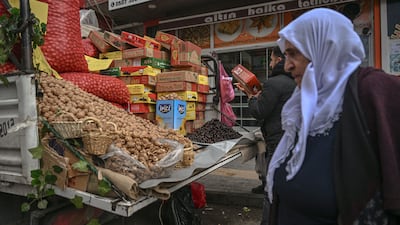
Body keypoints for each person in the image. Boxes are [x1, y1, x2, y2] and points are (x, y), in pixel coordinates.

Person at [265, 8, 400, 225]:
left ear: (324, 47)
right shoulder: (303, 105)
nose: (287, 65)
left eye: (294, 53)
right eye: (286, 55)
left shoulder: (374, 91)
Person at [237, 47, 296, 225]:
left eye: (271, 60)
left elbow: (259, 111)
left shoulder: (274, 83)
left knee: (271, 190)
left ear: (279, 60)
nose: (269, 64)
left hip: (278, 143)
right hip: (292, 141)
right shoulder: (294, 82)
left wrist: (251, 97)